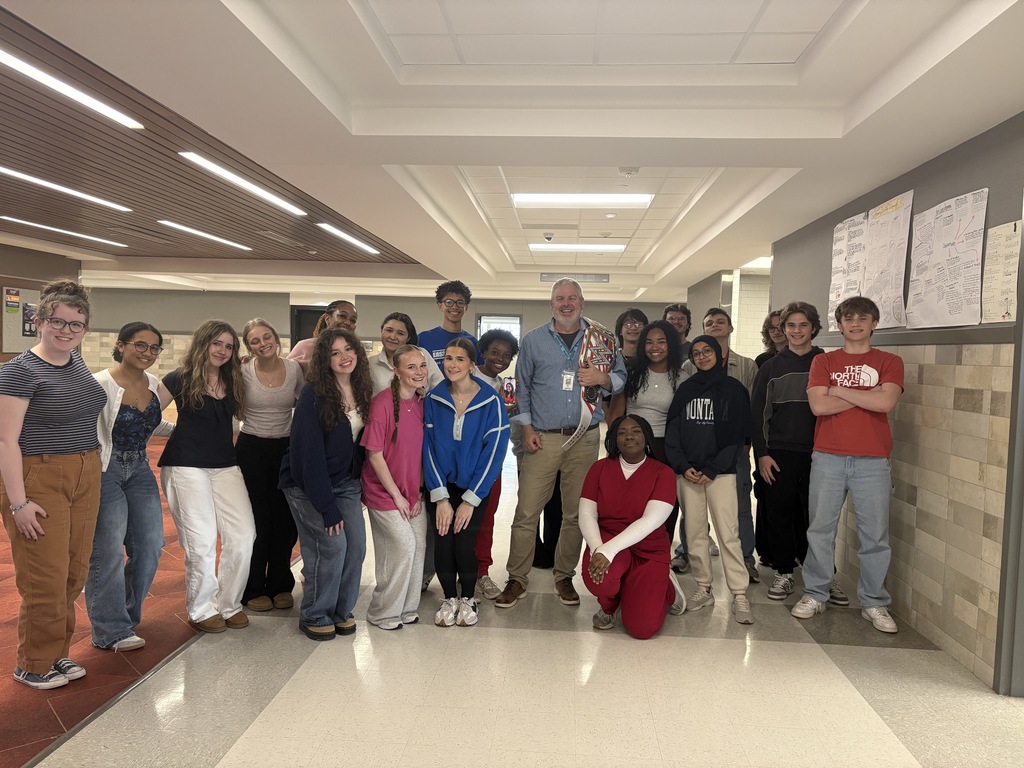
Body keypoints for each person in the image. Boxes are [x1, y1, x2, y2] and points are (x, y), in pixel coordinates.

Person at [0, 280, 106, 689]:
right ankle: (32, 663)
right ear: (39, 322)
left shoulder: (74, 361)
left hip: (85, 471)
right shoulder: (19, 371)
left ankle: (56, 654)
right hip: (39, 476)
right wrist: (18, 502)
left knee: (73, 572)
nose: (66, 330)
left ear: (84, 329)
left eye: (75, 325)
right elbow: (6, 440)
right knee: (44, 576)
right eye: (57, 322)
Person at [496, 278, 626, 609]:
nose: (565, 303)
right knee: (526, 512)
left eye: (571, 298)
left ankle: (563, 576)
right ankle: (516, 578)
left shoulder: (602, 339)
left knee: (576, 513)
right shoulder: (534, 340)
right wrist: (525, 430)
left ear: (582, 303)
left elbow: (621, 377)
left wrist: (602, 379)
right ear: (551, 304)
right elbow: (521, 389)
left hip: (584, 439)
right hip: (543, 437)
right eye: (559, 299)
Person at [791, 296, 904, 634]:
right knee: (820, 529)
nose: (856, 324)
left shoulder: (889, 360)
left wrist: (840, 390)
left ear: (874, 323)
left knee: (875, 535)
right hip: (828, 455)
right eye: (849, 318)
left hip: (873, 459)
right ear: (839, 325)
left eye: (863, 318)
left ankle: (873, 602)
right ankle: (815, 593)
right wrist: (863, 395)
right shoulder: (824, 362)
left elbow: (885, 402)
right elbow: (818, 407)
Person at [751, 301, 850, 606]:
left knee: (818, 517)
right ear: (782, 331)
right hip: (779, 454)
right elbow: (758, 416)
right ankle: (784, 571)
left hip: (821, 453)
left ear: (814, 329)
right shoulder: (770, 367)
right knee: (779, 513)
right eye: (790, 326)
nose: (796, 331)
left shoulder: (828, 364)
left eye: (802, 325)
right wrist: (763, 455)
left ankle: (822, 574)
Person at [159, 320, 254, 633]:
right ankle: (201, 609)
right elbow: (146, 415)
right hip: (186, 465)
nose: (222, 351)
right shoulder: (179, 377)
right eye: (217, 343)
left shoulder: (233, 379)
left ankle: (229, 603)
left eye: (228, 346)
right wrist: (174, 431)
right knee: (200, 541)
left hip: (226, 465)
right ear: (203, 343)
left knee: (243, 537)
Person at [87, 322, 174, 653]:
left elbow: (149, 425)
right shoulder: (99, 385)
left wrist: (190, 431)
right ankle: (109, 629)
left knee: (151, 544)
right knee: (107, 550)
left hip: (138, 467)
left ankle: (126, 617)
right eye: (140, 345)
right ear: (121, 345)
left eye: (154, 348)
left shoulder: (152, 384)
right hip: (105, 469)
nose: (147, 353)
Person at [280, 328, 372, 640]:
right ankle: (315, 613)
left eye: (349, 349)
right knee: (331, 545)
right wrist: (326, 506)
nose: (344, 357)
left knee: (356, 547)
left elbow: (360, 445)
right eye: (335, 352)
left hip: (345, 482)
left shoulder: (362, 390)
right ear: (325, 359)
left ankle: (340, 611)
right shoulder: (313, 394)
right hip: (307, 484)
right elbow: (309, 455)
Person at [665, 335, 754, 625]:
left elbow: (737, 436)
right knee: (694, 534)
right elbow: (673, 432)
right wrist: (682, 465)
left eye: (707, 351)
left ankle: (739, 593)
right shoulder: (685, 390)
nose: (702, 357)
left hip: (721, 474)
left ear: (718, 354)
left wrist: (714, 468)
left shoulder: (733, 390)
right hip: (688, 473)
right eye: (696, 353)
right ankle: (703, 587)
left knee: (729, 534)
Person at [423, 339, 510, 626]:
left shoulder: (491, 401)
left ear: (472, 364)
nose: (452, 364)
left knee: (464, 545)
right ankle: (449, 598)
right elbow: (428, 449)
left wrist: (471, 499)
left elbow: (494, 452)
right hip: (443, 487)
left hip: (475, 488)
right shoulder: (434, 399)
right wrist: (441, 498)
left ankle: (469, 598)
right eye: (448, 358)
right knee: (444, 544)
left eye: (460, 359)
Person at [580, 415, 685, 639]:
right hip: (606, 540)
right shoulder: (599, 469)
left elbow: (652, 520)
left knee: (642, 629)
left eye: (636, 431)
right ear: (613, 440)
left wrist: (608, 552)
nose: (629, 436)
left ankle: (666, 589)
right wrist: (599, 550)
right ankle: (609, 607)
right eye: (621, 432)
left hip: (648, 549)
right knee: (602, 581)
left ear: (646, 437)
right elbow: (587, 514)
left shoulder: (663, 473)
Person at [684, 307, 759, 582]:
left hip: (734, 449)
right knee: (691, 505)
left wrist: (746, 446)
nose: (714, 325)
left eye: (720, 322)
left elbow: (751, 409)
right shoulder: (688, 366)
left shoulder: (747, 365)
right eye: (708, 323)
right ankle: (687, 553)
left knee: (739, 505)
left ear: (730, 328)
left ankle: (746, 559)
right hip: (698, 447)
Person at [607, 321, 688, 567]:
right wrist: (614, 448)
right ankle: (627, 560)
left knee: (663, 510)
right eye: (650, 341)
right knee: (630, 508)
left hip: (666, 449)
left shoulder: (682, 377)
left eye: (661, 341)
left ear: (671, 345)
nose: (655, 347)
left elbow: (684, 420)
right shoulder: (631, 373)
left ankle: (657, 564)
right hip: (632, 447)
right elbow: (615, 415)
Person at [237, 318, 305, 613]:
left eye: (267, 337)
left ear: (277, 338)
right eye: (255, 340)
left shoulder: (293, 369)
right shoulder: (242, 371)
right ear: (248, 347)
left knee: (285, 520)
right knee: (257, 520)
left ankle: (280, 583)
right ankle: (253, 587)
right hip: (252, 448)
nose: (263, 343)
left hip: (285, 449)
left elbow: (303, 404)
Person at [361, 344, 428, 630]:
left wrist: (417, 493)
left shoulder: (422, 402)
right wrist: (397, 496)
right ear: (397, 371)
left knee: (419, 547)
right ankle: (382, 612)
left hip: (413, 492)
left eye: (422, 366)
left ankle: (406, 609)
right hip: (384, 492)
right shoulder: (383, 404)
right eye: (411, 367)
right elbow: (374, 453)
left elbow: (421, 453)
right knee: (402, 547)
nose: (418, 372)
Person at [471, 329, 519, 601]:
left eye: (506, 355)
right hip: (460, 461)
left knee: (486, 518)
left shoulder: (505, 387)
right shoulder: (466, 375)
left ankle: (481, 572)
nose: (500, 358)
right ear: (483, 351)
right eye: (494, 352)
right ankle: (440, 568)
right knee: (452, 516)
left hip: (491, 462)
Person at [368, 312, 443, 396]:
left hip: (419, 408)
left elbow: (440, 388)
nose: (393, 337)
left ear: (408, 338)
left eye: (400, 333)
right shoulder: (370, 363)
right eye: (389, 330)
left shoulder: (422, 354)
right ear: (382, 331)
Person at [418, 280, 479, 368]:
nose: (454, 307)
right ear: (440, 306)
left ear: (466, 307)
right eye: (449, 302)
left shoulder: (473, 343)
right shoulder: (423, 339)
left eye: (460, 302)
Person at [287, 300, 358, 373]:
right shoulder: (305, 347)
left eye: (353, 320)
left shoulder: (356, 351)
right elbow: (287, 375)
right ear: (327, 318)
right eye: (342, 316)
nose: (348, 322)